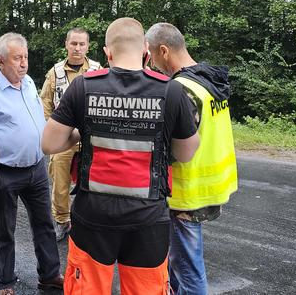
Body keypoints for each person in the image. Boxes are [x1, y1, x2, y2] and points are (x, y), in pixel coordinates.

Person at [42, 18, 200, 295]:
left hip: (93, 216)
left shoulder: (82, 87)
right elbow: (185, 153)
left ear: (107, 53)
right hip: (148, 218)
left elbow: (50, 144)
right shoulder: (171, 91)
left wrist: (83, 130)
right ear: (146, 52)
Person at [146, 22, 238, 295]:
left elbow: (174, 145)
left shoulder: (182, 89)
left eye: (151, 55)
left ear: (163, 51)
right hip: (212, 185)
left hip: (187, 192)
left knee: (188, 268)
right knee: (182, 264)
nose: (151, 63)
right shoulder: (208, 79)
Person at [0, 33, 63, 295]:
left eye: (25, 57)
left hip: (36, 167)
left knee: (44, 224)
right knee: (5, 229)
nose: (24, 63)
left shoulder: (28, 82)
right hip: (5, 172)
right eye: (18, 58)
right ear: (1, 60)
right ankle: (6, 282)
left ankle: (50, 275)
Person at [39, 27, 101, 241]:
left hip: (90, 137)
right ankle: (62, 221)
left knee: (93, 180)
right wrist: (51, 129)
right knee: (60, 180)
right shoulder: (54, 73)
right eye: (73, 43)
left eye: (82, 44)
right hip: (63, 138)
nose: (77, 48)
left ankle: (88, 220)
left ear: (88, 46)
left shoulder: (97, 69)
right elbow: (45, 105)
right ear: (66, 44)